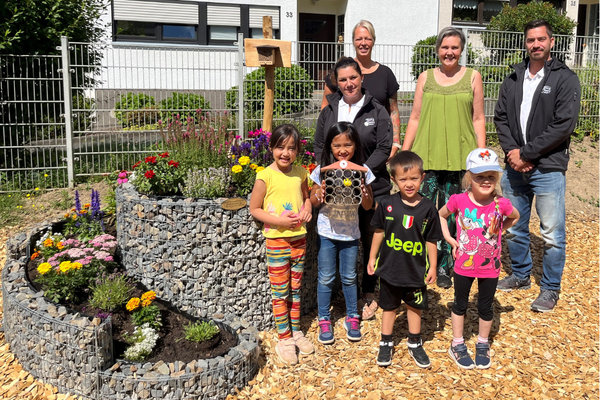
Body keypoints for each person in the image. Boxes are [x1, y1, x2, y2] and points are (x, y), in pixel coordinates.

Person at [494, 19, 581, 312]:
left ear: (551, 42)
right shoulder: (514, 77)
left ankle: (550, 288)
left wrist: (527, 153)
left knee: (552, 234)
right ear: (525, 43)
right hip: (514, 167)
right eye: (531, 40)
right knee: (514, 227)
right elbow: (501, 117)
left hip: (548, 168)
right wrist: (512, 153)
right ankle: (520, 275)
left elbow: (563, 125)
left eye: (541, 39)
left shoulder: (565, 79)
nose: (536, 45)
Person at [402, 26, 486, 289]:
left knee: (452, 216)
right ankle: (421, 263)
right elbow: (415, 118)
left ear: (461, 50)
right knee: (422, 213)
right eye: (445, 47)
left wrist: (482, 157)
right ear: (438, 50)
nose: (449, 52)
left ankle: (446, 267)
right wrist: (404, 154)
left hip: (460, 160)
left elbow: (478, 118)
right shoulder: (425, 78)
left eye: (455, 47)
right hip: (426, 159)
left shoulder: (473, 77)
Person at [314, 56, 393, 321]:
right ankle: (343, 292)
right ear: (336, 83)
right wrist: (328, 175)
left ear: (362, 78)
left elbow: (384, 146)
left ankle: (368, 292)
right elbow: (319, 145)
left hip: (372, 186)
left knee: (371, 239)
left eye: (353, 78)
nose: (349, 83)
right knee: (342, 240)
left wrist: (361, 172)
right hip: (336, 191)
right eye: (343, 79)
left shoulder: (376, 109)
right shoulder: (329, 109)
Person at [439, 148, 519, 369]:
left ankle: (483, 343)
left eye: (491, 176)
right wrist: (450, 240)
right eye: (479, 176)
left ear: (497, 178)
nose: (486, 181)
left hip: (489, 266)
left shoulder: (501, 203)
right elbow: (441, 215)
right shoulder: (458, 200)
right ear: (469, 177)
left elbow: (515, 217)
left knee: (486, 306)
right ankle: (457, 343)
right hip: (463, 265)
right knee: (460, 303)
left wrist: (499, 228)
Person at [367, 151, 442, 368]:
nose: (409, 184)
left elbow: (431, 240)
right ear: (394, 180)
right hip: (389, 269)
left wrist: (433, 266)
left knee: (414, 307)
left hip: (415, 271)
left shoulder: (428, 208)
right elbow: (379, 232)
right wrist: (372, 257)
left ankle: (415, 342)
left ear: (422, 177)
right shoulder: (387, 204)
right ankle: (386, 342)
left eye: (414, 178)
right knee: (389, 307)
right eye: (403, 179)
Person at [249, 124, 314, 365]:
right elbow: (254, 208)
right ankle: (284, 338)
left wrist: (307, 209)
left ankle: (295, 330)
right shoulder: (264, 176)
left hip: (299, 240)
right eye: (280, 147)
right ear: (271, 148)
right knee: (280, 292)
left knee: (295, 289)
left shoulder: (301, 173)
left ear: (298, 151)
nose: (285, 153)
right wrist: (279, 221)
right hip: (277, 241)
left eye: (291, 148)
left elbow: (307, 198)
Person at [310, 122, 375, 344]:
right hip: (327, 232)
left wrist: (365, 193)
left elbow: (368, 205)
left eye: (347, 144)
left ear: (356, 145)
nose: (342, 150)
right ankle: (324, 318)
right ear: (330, 146)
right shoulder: (322, 170)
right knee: (326, 277)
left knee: (349, 277)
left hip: (350, 235)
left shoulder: (362, 171)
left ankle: (352, 316)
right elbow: (313, 200)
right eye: (337, 145)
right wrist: (318, 194)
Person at [320, 20, 401, 159]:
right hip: (341, 150)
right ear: (353, 41)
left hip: (374, 148)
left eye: (367, 39)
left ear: (373, 41)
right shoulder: (341, 69)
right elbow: (325, 108)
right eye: (359, 39)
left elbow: (393, 111)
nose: (363, 43)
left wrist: (395, 142)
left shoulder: (385, 74)